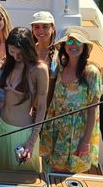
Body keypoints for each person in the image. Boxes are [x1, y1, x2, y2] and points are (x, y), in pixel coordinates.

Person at [40, 27, 102, 173]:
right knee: (50, 167)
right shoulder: (60, 65)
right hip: (54, 125)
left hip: (76, 132)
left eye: (78, 42)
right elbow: (50, 95)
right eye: (70, 41)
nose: (73, 45)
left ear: (84, 47)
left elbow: (93, 110)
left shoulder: (91, 72)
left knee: (68, 172)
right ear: (64, 45)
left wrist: (85, 142)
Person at [0, 27, 48, 172]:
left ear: (28, 49)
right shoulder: (9, 64)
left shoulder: (39, 69)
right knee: (3, 174)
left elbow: (42, 107)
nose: (15, 56)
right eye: (11, 51)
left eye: (19, 52)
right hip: (2, 127)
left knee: (24, 179)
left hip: (22, 132)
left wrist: (31, 142)